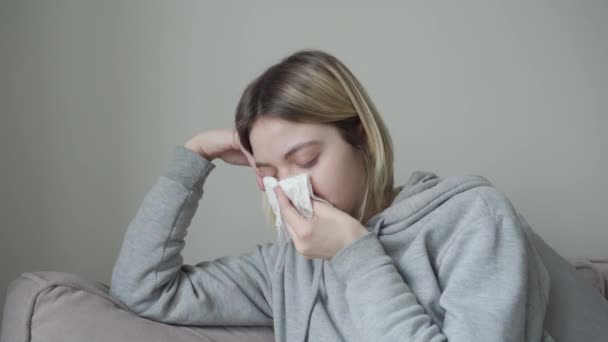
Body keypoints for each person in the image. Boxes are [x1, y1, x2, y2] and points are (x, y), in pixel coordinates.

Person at [109, 49, 608, 342]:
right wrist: (193, 159)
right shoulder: (287, 268)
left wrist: (353, 253)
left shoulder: (472, 218)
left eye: (305, 161)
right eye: (269, 173)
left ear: (362, 139)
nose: (292, 188)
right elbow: (144, 288)